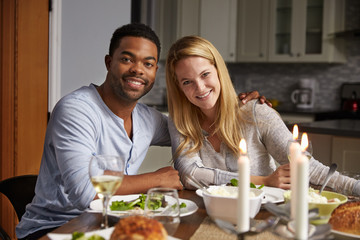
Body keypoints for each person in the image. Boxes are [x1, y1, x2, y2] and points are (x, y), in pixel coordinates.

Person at [16, 23, 267, 240]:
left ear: (155, 72)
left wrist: (240, 108)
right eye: (127, 59)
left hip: (111, 224)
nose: (138, 69)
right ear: (108, 62)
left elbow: (198, 125)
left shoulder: (148, 119)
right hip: (56, 230)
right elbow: (85, 193)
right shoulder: (76, 110)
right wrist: (156, 180)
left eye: (148, 63)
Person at [165, 35, 360, 197]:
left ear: (219, 71)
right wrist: (264, 181)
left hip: (264, 213)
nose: (200, 87)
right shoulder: (180, 122)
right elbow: (190, 175)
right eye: (187, 82)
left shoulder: (256, 112)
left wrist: (355, 188)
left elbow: (308, 167)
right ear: (179, 88)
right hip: (207, 213)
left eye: (205, 74)